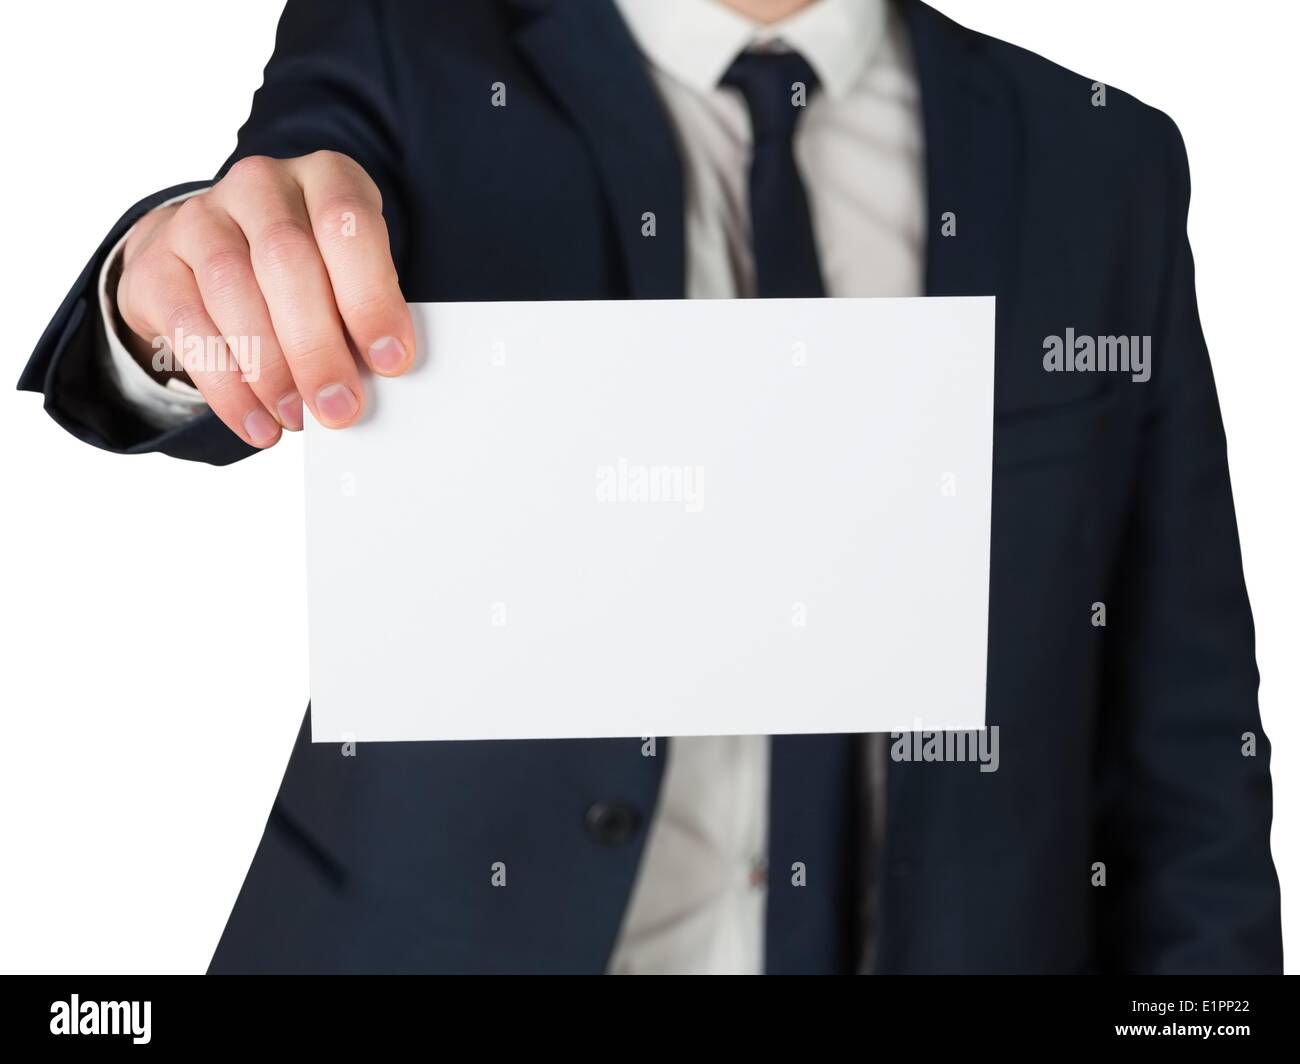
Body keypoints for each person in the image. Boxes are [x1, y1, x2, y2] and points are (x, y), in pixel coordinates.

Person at [17, 0, 1281, 974]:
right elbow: (278, 208)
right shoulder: (412, 46)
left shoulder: (1100, 157)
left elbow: (1185, 734)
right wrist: (187, 305)